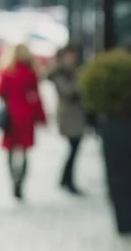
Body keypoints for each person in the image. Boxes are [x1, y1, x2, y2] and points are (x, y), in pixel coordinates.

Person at [0, 42, 46, 200]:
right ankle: (21, 182)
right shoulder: (31, 72)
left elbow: (0, 92)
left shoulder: (7, 71)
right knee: (24, 151)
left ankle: (14, 179)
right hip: (26, 115)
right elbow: (36, 96)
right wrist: (41, 117)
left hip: (11, 115)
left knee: (11, 151)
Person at [48, 43, 86, 195]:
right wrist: (79, 78)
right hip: (68, 117)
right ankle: (67, 180)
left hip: (76, 116)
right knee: (73, 148)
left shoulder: (72, 71)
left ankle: (66, 179)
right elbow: (69, 92)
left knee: (74, 149)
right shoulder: (60, 74)